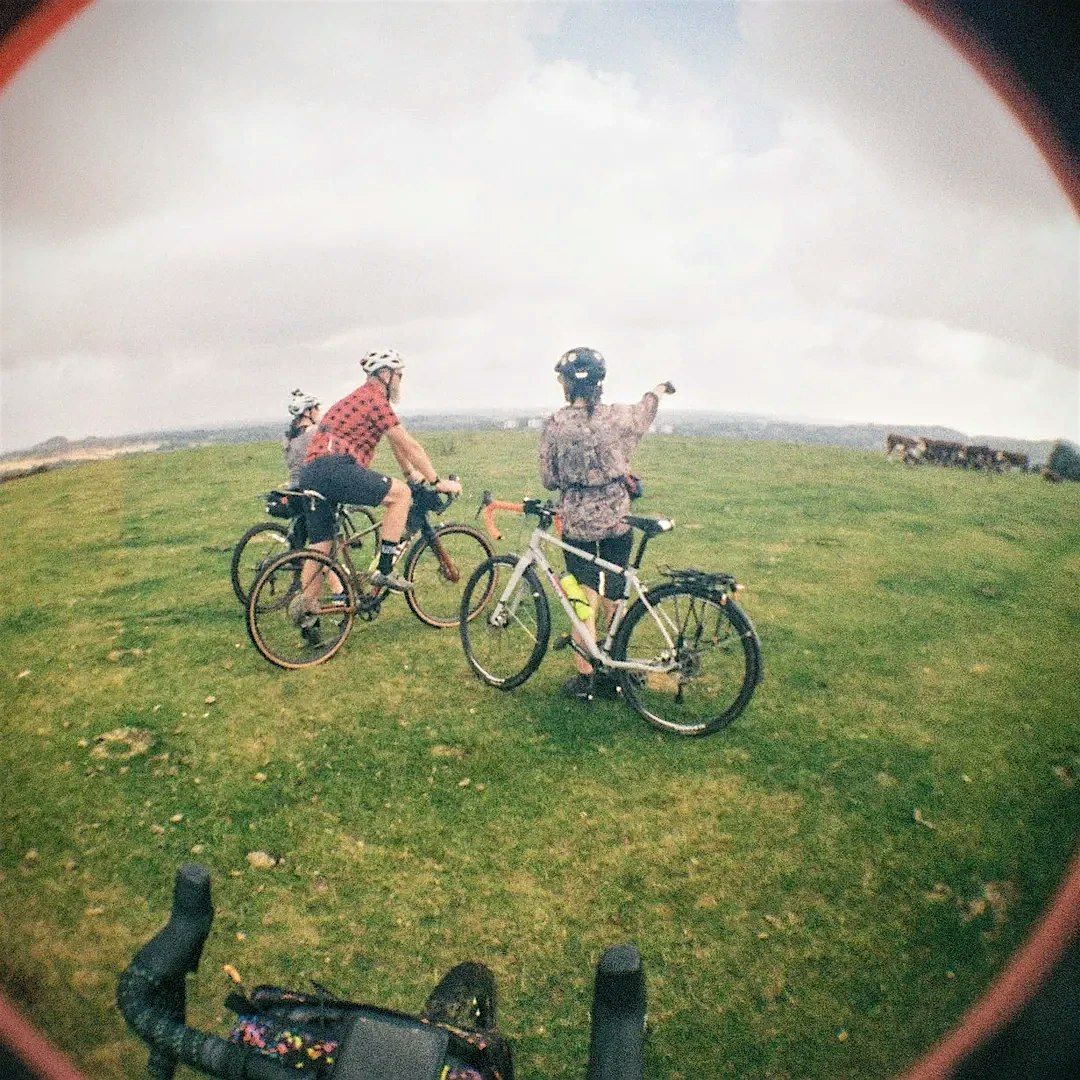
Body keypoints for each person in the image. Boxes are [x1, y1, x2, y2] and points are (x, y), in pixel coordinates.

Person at [290, 350, 462, 633]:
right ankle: (384, 570)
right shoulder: (374, 399)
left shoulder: (358, 398)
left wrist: (410, 473)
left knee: (321, 546)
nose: (400, 382)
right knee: (401, 495)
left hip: (312, 472)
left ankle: (308, 618)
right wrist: (436, 481)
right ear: (385, 375)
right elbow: (409, 444)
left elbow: (396, 443)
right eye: (399, 376)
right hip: (336, 466)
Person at [538, 347, 675, 701]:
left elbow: (549, 479)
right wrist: (657, 391)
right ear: (600, 382)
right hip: (617, 518)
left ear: (567, 385)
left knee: (582, 596)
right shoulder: (618, 417)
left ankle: (586, 677)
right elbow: (644, 413)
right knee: (616, 590)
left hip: (578, 522)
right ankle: (616, 667)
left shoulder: (555, 425)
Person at [283, 389, 321, 488]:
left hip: (293, 484)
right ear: (307, 412)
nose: (319, 412)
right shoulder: (315, 431)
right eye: (316, 408)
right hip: (311, 483)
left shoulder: (288, 437)